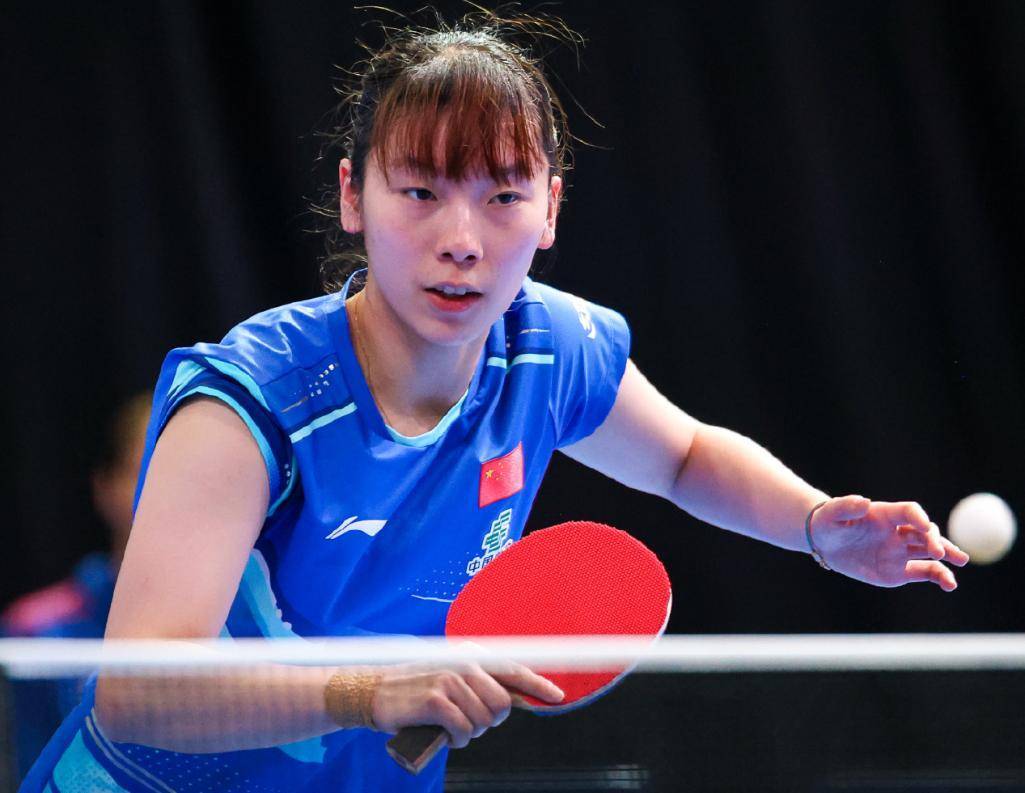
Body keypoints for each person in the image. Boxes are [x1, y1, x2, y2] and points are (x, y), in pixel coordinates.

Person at [23, 9, 968, 793]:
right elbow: (139, 692)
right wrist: (367, 692)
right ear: (353, 196)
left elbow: (682, 457)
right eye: (420, 191)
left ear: (550, 206)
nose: (462, 239)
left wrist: (814, 524)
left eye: (503, 196)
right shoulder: (251, 403)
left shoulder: (546, 350)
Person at [3, 392, 149, 781]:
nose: (167, 497)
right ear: (105, 486)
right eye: (146, 472)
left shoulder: (254, 625)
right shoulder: (36, 630)